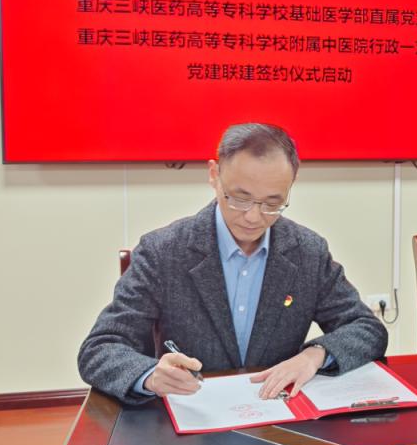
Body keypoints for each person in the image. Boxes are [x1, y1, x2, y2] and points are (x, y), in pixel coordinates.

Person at [78, 123, 387, 405]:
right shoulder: (163, 252)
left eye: (272, 203)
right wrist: (150, 375)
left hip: (277, 417)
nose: (253, 217)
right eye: (239, 198)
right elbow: (100, 349)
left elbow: (367, 328)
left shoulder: (307, 252)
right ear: (214, 175)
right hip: (191, 420)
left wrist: (314, 356)